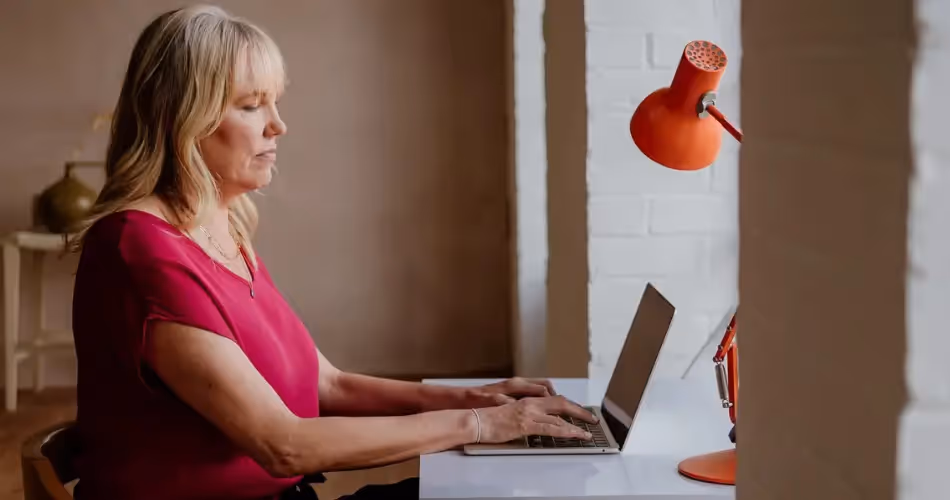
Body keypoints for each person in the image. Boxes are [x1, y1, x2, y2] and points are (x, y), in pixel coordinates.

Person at [68, 5, 596, 500]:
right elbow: (283, 445)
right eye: (251, 106)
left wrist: (477, 398)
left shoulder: (220, 229)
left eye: (275, 102)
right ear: (180, 119)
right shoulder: (139, 248)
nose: (278, 125)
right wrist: (479, 426)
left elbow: (327, 384)